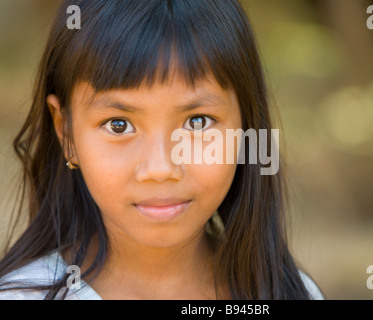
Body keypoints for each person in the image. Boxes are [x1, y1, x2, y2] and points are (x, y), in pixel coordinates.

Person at [0, 0, 324, 300]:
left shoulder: (287, 292)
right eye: (118, 125)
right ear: (67, 132)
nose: (160, 168)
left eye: (197, 122)